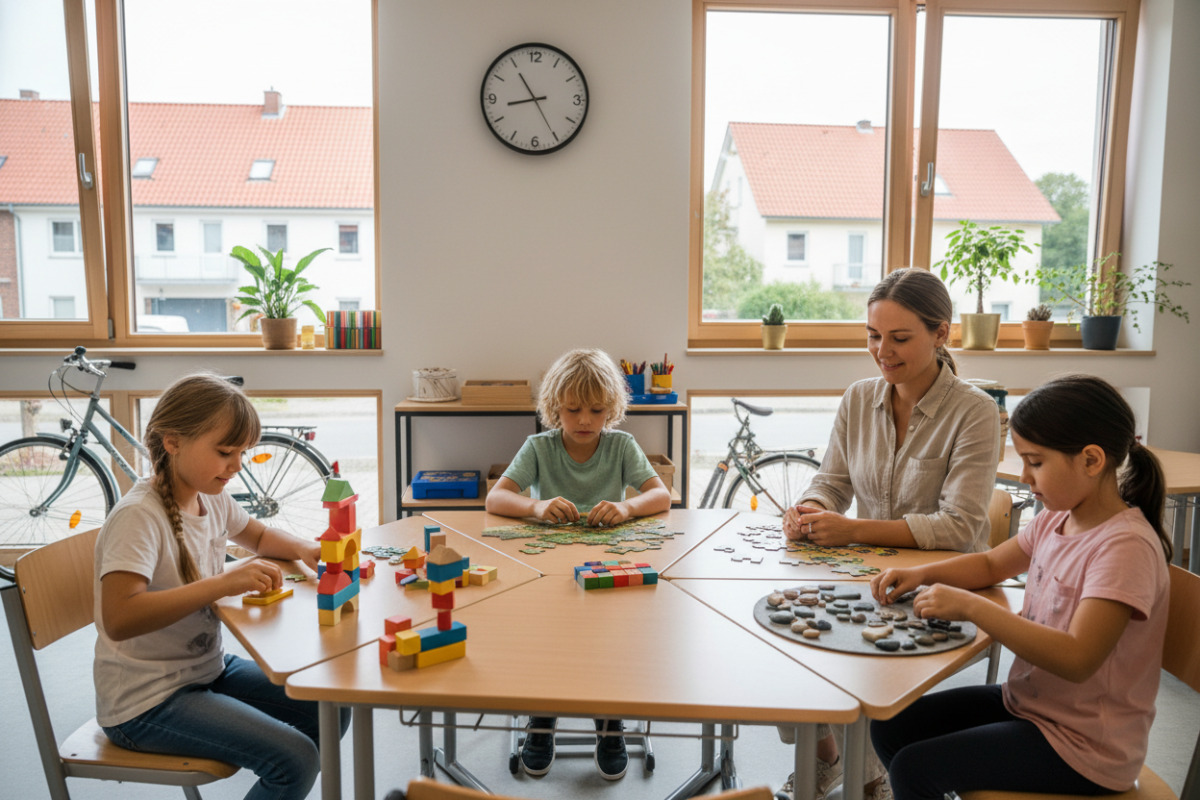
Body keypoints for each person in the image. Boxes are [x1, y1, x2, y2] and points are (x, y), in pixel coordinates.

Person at [868, 374, 1171, 800]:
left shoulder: (1125, 547)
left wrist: (974, 609)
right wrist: (925, 574)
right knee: (890, 724)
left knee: (915, 769)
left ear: (1091, 460)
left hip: (1086, 746)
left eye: (1036, 461)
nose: (1024, 476)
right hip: (1032, 704)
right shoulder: (1056, 516)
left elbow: (1078, 658)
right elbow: (992, 563)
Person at [775, 268, 1001, 800]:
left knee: (845, 654)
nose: (883, 351)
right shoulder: (859, 397)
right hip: (865, 574)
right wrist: (809, 508)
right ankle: (832, 758)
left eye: (900, 338)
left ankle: (866, 774)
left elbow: (962, 528)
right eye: (874, 336)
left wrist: (852, 529)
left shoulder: (975, 411)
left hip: (944, 585)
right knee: (781, 646)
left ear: (941, 333)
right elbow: (832, 481)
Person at [94, 373, 348, 800]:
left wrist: (306, 547)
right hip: (145, 702)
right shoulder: (138, 516)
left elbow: (260, 537)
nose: (236, 466)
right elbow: (119, 618)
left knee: (330, 708)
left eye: (243, 453)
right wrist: (221, 583)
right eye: (225, 452)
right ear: (172, 442)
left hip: (205, 669)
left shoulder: (210, 494)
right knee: (295, 759)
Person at [486, 347, 671, 780]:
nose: (585, 419)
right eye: (573, 409)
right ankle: (542, 720)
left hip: (609, 564)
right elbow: (497, 497)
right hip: (546, 566)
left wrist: (627, 509)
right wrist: (537, 506)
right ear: (555, 408)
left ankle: (609, 725)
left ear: (612, 409)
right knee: (547, 641)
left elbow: (660, 495)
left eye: (596, 409)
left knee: (609, 643)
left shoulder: (621, 445)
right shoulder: (539, 446)